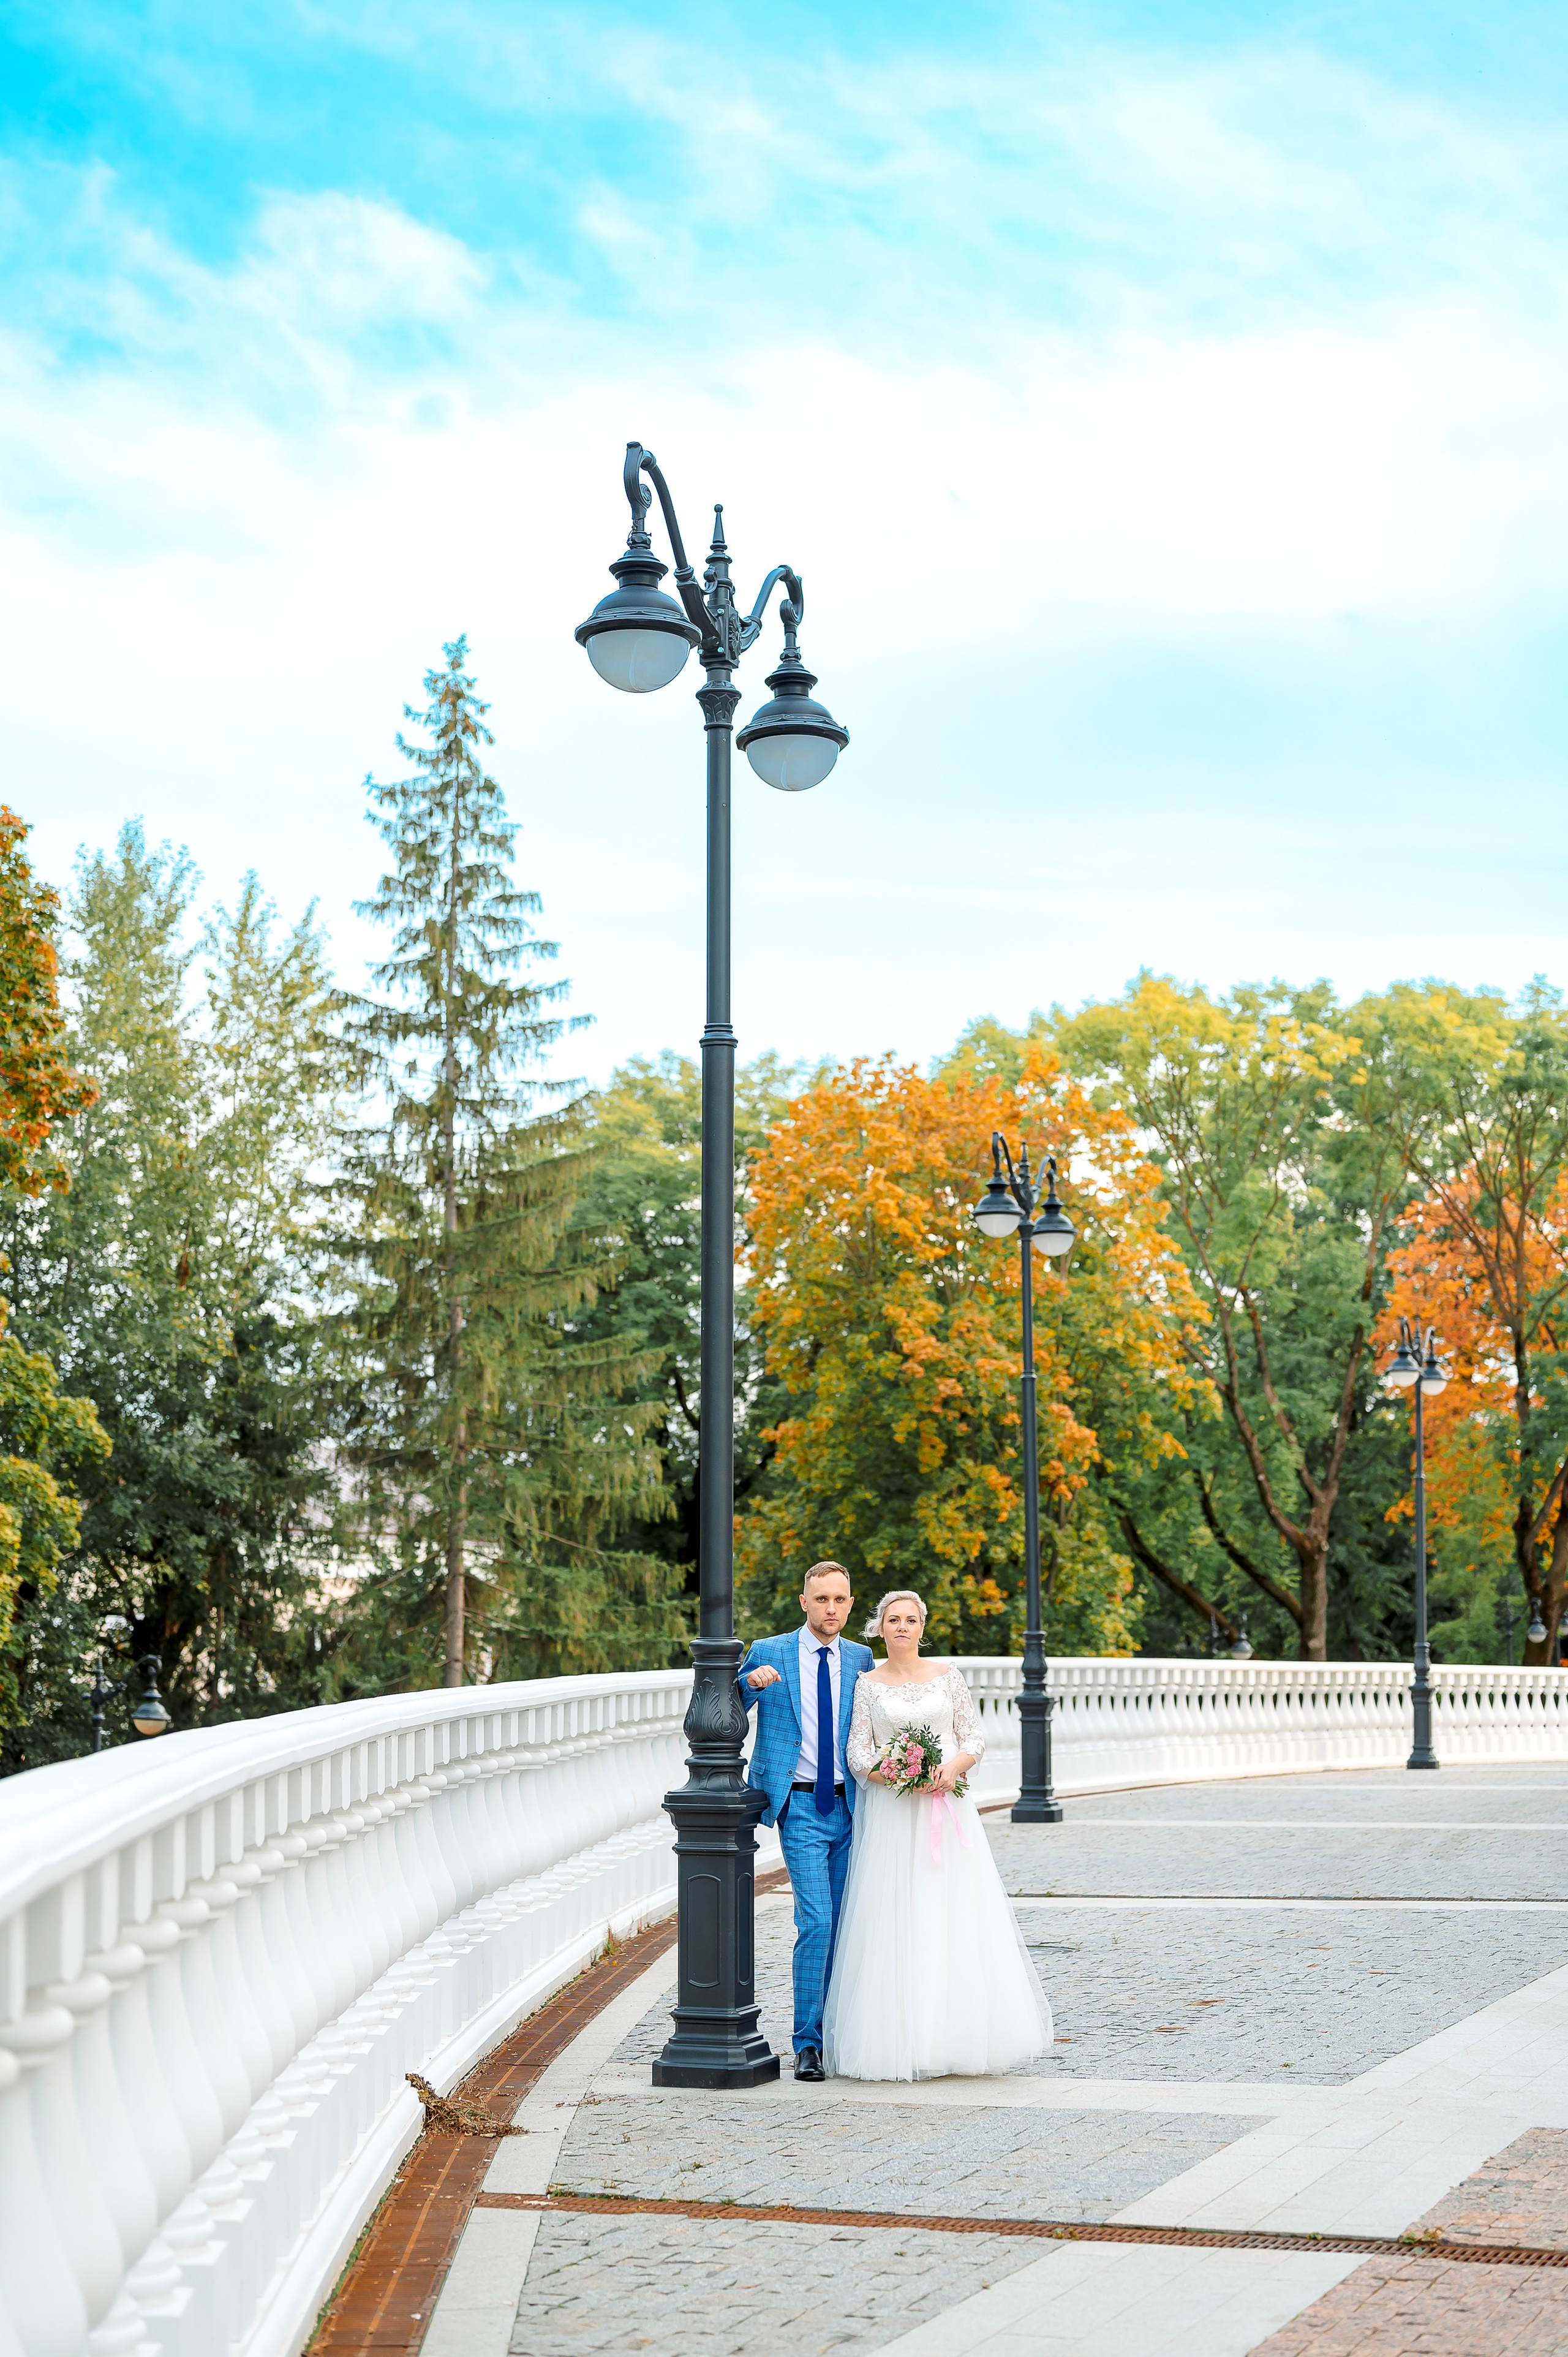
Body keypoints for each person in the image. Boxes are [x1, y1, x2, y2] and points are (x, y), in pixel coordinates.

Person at [822, 1588, 1052, 2081]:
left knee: (950, 1910)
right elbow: (858, 1753)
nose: (902, 1626)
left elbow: (974, 1738)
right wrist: (901, 1775)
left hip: (948, 1808)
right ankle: (902, 2039)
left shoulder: (949, 1676)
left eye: (911, 1619)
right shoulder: (867, 1684)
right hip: (893, 1814)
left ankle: (955, 2037)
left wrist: (950, 1769)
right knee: (897, 1914)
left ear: (922, 1627)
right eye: (893, 1619)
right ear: (879, 1628)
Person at [736, 1562, 874, 2083]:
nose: (830, 1608)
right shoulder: (770, 1651)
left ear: (850, 1604)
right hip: (799, 1806)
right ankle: (807, 2044)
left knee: (843, 1923)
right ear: (804, 1602)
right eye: (821, 1599)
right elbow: (724, 1706)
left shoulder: (861, 1657)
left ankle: (837, 2032)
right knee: (816, 1921)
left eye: (839, 1599)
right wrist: (748, 1683)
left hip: (853, 1806)